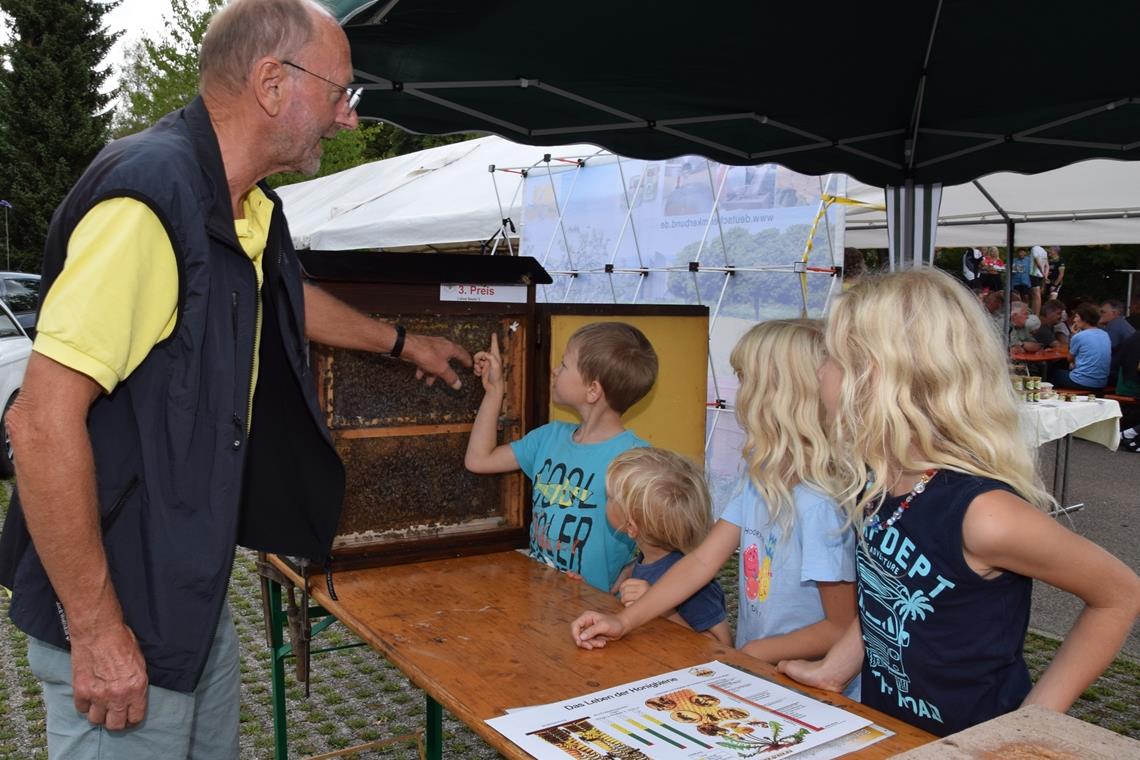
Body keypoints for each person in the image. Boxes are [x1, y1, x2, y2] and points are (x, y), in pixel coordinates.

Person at [0, 1, 473, 756]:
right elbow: (39, 422)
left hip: (190, 591)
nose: (349, 118)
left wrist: (404, 343)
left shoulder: (242, 205)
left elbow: (283, 293)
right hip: (124, 605)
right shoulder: (149, 204)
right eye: (341, 91)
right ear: (272, 83)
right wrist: (97, 633)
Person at [776, 269, 1139, 738]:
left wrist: (1030, 724)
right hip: (896, 730)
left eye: (831, 356)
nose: (820, 369)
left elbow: (1120, 595)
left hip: (973, 739)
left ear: (878, 376)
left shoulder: (984, 514)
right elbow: (882, 589)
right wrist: (834, 669)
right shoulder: (879, 481)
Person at [571, 319, 858, 672]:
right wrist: (624, 622)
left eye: (744, 379)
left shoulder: (819, 505)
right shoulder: (759, 479)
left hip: (814, 687)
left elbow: (842, 627)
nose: (738, 393)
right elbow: (701, 562)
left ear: (776, 395)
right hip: (765, 670)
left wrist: (751, 652)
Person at [465, 323, 657, 593]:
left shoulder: (636, 460)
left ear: (593, 390)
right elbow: (479, 460)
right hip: (539, 598)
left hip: (595, 613)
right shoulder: (548, 438)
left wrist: (635, 569)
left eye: (565, 364)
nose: (555, 370)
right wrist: (495, 391)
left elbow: (664, 537)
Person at [603, 447, 731, 644]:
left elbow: (721, 645)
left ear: (631, 526)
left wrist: (665, 611)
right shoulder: (648, 558)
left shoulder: (693, 582)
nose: (605, 500)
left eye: (610, 497)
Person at [1050, 303, 1111, 391]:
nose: (1074, 320)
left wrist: (1073, 335)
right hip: (1101, 383)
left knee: (1054, 372)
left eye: (1077, 317)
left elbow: (1069, 359)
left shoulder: (1080, 336)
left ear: (1085, 319)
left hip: (1081, 382)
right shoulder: (1105, 334)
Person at [1029, 244, 1050, 314]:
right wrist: (1045, 276)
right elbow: (1047, 265)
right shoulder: (1044, 251)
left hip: (1034, 274)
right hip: (1041, 275)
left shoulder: (1034, 248)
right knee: (1035, 295)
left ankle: (1036, 315)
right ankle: (1033, 313)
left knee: (1036, 295)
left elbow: (1037, 261)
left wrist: (1042, 271)